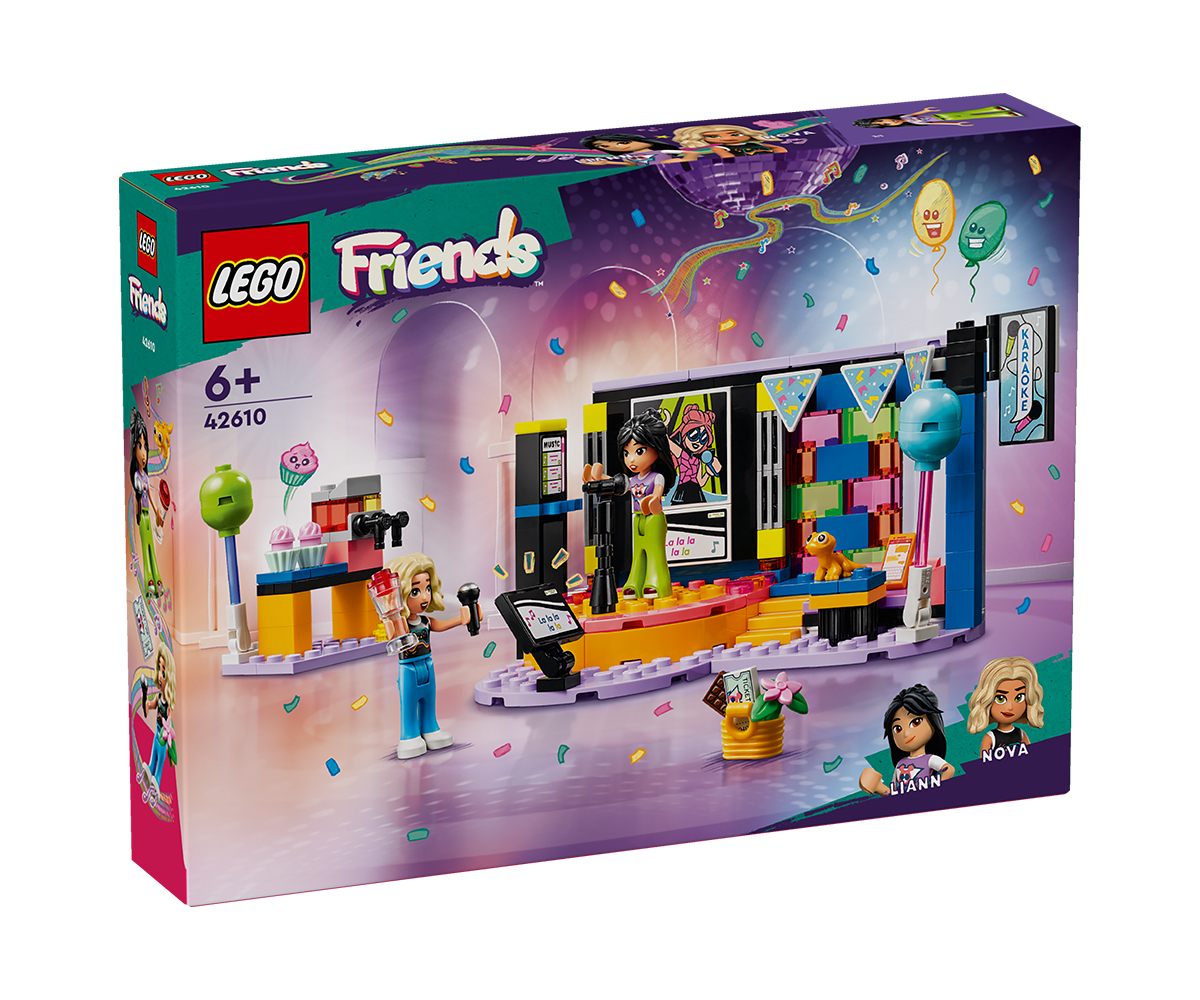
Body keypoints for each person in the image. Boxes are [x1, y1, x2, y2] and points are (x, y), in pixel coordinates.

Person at [380, 553, 471, 760]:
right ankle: (409, 736)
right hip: (408, 669)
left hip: (428, 665)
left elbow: (441, 625)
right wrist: (392, 613)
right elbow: (395, 636)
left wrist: (462, 618)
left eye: (427, 588)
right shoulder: (398, 623)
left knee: (429, 700)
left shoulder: (425, 621)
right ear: (399, 593)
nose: (424, 597)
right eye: (415, 591)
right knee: (409, 704)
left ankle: (430, 729)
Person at [582, 411, 677, 600]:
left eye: (639, 451)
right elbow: (616, 484)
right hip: (638, 518)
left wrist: (654, 500)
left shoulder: (657, 477)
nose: (631, 459)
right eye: (626, 453)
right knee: (638, 553)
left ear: (657, 449)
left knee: (655, 551)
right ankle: (635, 582)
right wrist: (599, 479)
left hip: (654, 518)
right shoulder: (633, 480)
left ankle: (657, 582)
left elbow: (658, 493)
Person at [859, 684, 955, 795]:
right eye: (898, 729)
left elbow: (949, 770)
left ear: (932, 723)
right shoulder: (900, 763)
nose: (906, 733)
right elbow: (894, 791)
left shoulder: (930, 759)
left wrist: (937, 790)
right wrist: (879, 788)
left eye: (916, 722)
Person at [966, 656, 1044, 757]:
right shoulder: (990, 738)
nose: (1010, 707)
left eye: (1019, 698)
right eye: (1000, 699)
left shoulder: (1021, 734)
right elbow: (983, 763)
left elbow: (1031, 757)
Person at [129, 408, 165, 598]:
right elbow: (138, 497)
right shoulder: (136, 476)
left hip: (148, 515)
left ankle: (157, 579)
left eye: (145, 447)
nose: (143, 452)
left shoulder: (145, 476)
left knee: (152, 547)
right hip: (142, 517)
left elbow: (149, 496)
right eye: (139, 446)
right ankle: (150, 580)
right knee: (146, 547)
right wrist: (137, 517)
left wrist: (157, 512)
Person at [672, 124, 786, 158]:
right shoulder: (719, 147)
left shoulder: (754, 143)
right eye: (713, 136)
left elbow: (778, 148)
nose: (727, 138)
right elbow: (727, 157)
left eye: (736, 134)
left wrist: (779, 155)